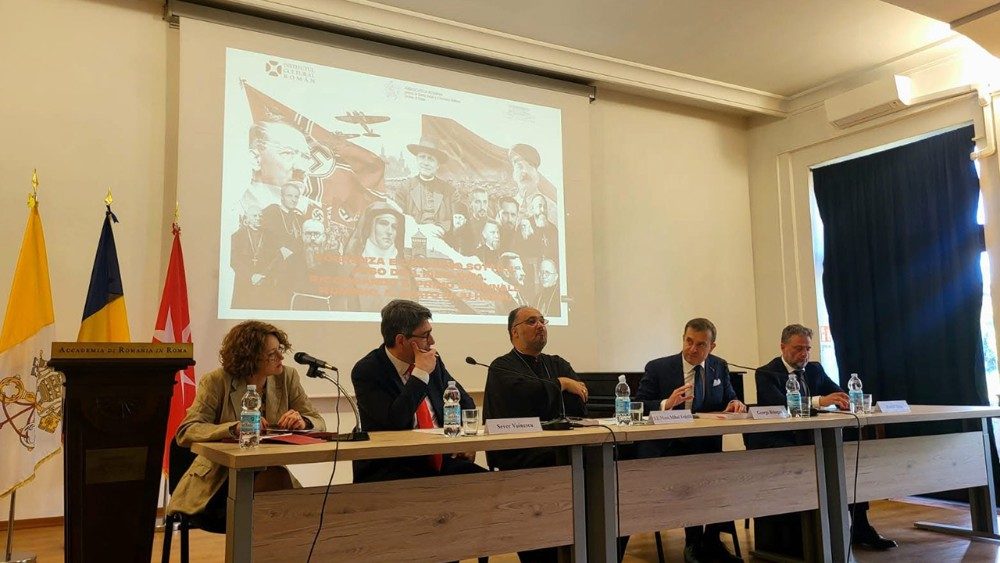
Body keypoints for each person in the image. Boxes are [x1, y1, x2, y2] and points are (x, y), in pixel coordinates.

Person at [749, 324, 897, 552]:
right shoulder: (766, 372)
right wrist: (820, 401)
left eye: (808, 349)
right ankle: (810, 535)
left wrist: (843, 400)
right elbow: (779, 406)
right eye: (798, 348)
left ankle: (860, 526)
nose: (804, 354)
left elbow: (837, 393)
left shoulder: (815, 369)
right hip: (784, 443)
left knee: (849, 463)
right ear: (783, 347)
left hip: (816, 438)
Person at [165, 321, 326, 530]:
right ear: (250, 357)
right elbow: (187, 430)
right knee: (282, 496)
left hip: (267, 472)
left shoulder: (287, 377)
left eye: (280, 350)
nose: (280, 357)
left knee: (285, 492)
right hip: (218, 481)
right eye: (272, 354)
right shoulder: (216, 381)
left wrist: (304, 421)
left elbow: (318, 421)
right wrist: (234, 428)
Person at [482, 306, 589, 563]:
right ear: (514, 332)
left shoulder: (557, 363)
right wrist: (560, 384)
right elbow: (520, 398)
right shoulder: (501, 367)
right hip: (520, 454)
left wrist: (552, 390)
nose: (540, 325)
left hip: (560, 448)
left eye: (542, 320)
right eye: (532, 321)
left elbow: (579, 401)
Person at [635, 318, 746, 563]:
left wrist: (734, 403)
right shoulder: (658, 367)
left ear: (712, 347)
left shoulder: (719, 366)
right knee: (694, 476)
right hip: (668, 448)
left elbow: (729, 396)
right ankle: (693, 544)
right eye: (688, 341)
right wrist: (666, 403)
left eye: (700, 344)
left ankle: (712, 541)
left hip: (705, 446)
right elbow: (638, 405)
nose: (693, 349)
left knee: (726, 476)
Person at [351, 299, 485, 482]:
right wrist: (420, 374)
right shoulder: (368, 371)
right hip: (396, 466)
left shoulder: (433, 360)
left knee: (492, 485)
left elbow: (464, 401)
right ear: (401, 340)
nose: (432, 341)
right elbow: (395, 421)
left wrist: (466, 442)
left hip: (443, 459)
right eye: (425, 335)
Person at [343, 202, 415, 311]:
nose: (389, 232)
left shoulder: (406, 273)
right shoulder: (351, 268)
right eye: (383, 223)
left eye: (394, 227)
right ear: (370, 226)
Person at [242, 118, 312, 213]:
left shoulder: (305, 217)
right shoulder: (232, 216)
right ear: (256, 159)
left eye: (306, 157)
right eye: (288, 153)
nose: (301, 168)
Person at [395, 138, 455, 237]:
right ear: (417, 160)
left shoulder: (449, 191)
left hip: (441, 238)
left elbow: (457, 217)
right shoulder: (404, 188)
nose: (426, 163)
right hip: (412, 238)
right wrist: (420, 229)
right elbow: (397, 217)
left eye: (431, 159)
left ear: (438, 165)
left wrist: (442, 228)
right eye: (422, 157)